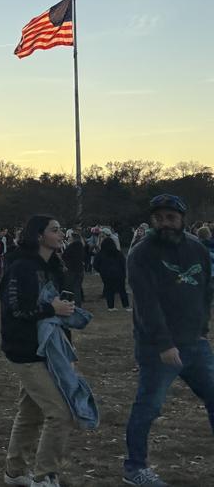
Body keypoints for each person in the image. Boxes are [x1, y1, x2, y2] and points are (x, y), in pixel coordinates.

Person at [122, 194, 214, 487]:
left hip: (195, 344)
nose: (165, 223)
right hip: (158, 348)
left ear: (182, 219)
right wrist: (164, 344)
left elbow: (205, 290)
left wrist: (203, 328)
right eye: (159, 218)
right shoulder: (141, 254)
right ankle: (135, 468)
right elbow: (146, 305)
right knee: (149, 406)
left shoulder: (197, 249)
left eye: (171, 217)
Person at [0, 214, 75, 487]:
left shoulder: (54, 266)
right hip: (25, 350)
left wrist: (65, 314)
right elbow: (15, 309)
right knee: (60, 413)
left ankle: (15, 471)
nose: (61, 233)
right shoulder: (21, 267)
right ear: (39, 235)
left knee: (30, 413)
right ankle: (45, 477)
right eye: (55, 230)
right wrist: (50, 309)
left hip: (50, 350)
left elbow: (54, 306)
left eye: (61, 229)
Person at [93, 237, 129, 312]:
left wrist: (101, 271)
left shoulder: (100, 254)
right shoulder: (118, 253)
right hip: (119, 274)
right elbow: (123, 263)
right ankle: (126, 306)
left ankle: (111, 307)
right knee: (122, 290)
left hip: (106, 275)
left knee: (109, 290)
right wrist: (124, 273)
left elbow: (95, 264)